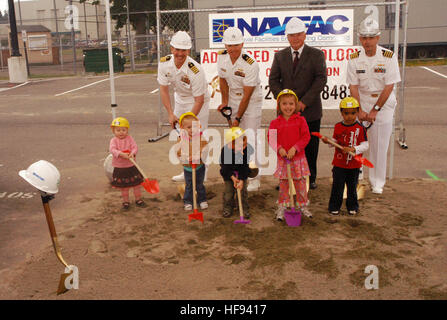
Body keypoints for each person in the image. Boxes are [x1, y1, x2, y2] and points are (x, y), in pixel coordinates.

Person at [269, 17, 327, 190]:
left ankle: (310, 178)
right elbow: (273, 80)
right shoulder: (279, 56)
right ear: (287, 37)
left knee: (310, 147)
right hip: (285, 113)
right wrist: (284, 103)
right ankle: (286, 178)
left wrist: (303, 103)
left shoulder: (316, 55)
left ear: (305, 34)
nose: (295, 38)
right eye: (291, 35)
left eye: (298, 34)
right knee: (285, 146)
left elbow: (320, 79)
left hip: (310, 110)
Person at [346, 18, 401, 194]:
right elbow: (353, 86)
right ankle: (356, 178)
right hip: (362, 102)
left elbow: (389, 86)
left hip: (382, 104)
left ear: (378, 37)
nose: (367, 41)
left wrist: (375, 110)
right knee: (357, 143)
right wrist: (359, 110)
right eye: (363, 37)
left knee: (379, 145)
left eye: (370, 37)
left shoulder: (388, 57)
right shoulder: (354, 58)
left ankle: (377, 182)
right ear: (359, 38)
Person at [157, 31, 210, 182]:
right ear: (171, 48)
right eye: (177, 49)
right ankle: (186, 170)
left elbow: (199, 99)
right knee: (182, 136)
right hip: (180, 99)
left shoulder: (195, 69)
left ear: (189, 50)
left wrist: (189, 120)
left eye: (184, 50)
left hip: (198, 101)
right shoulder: (164, 63)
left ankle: (203, 171)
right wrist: (170, 113)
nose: (180, 53)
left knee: (199, 135)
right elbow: (163, 89)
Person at [216, 27, 263, 192]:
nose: (233, 49)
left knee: (249, 138)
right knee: (233, 140)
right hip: (234, 99)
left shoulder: (250, 64)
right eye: (230, 45)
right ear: (225, 45)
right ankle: (234, 174)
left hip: (250, 101)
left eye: (236, 45)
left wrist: (237, 119)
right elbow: (222, 81)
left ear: (242, 44)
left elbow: (247, 95)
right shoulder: (222, 58)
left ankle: (254, 177)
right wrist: (224, 102)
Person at [268, 89, 312, 221]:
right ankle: (283, 206)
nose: (288, 107)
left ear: (296, 105)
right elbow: (271, 138)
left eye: (291, 104)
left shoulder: (301, 120)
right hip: (283, 160)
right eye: (285, 104)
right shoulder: (275, 123)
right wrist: (279, 148)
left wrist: (295, 148)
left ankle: (302, 206)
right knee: (284, 184)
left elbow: (306, 137)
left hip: (298, 159)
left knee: (300, 184)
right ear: (279, 106)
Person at [322, 97, 369, 215]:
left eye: (353, 113)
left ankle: (352, 206)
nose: (350, 116)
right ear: (341, 113)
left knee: (352, 187)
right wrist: (329, 142)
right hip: (339, 164)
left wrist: (353, 149)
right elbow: (335, 141)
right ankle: (334, 206)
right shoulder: (338, 126)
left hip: (354, 164)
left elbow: (365, 145)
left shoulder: (360, 128)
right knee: (337, 186)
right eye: (346, 113)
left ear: (358, 112)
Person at [219, 127, 257, 218]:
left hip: (241, 172)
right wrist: (232, 177)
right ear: (230, 144)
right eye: (237, 142)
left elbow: (244, 167)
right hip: (228, 173)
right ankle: (228, 207)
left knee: (243, 192)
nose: (242, 144)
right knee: (229, 192)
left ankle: (244, 208)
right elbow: (224, 168)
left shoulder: (246, 150)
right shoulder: (226, 151)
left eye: (243, 140)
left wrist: (241, 180)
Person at [109, 117, 145, 210]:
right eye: (118, 130)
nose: (121, 132)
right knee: (124, 187)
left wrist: (133, 153)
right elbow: (112, 150)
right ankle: (126, 201)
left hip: (131, 166)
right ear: (113, 131)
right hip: (120, 167)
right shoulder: (114, 140)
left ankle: (138, 199)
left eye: (123, 130)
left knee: (136, 184)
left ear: (127, 130)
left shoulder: (130, 139)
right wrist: (121, 154)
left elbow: (135, 147)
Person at [176, 112, 208, 211]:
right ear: (183, 128)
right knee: (189, 185)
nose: (192, 129)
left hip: (199, 167)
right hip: (188, 168)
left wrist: (198, 156)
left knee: (199, 184)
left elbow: (205, 149)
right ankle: (188, 201)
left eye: (194, 127)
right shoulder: (181, 140)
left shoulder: (201, 138)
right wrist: (186, 158)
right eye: (188, 127)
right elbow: (179, 153)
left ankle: (202, 200)